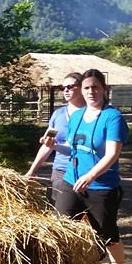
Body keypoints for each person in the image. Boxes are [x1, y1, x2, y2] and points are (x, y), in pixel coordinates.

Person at [54, 68, 130, 264]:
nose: (91, 92)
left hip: (101, 186)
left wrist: (90, 176)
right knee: (62, 228)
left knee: (107, 235)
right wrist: (51, 145)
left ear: (104, 89)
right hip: (72, 182)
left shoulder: (112, 117)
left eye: (95, 87)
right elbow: (73, 148)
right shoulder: (77, 116)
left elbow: (112, 154)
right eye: (87, 88)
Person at [24, 72, 86, 204]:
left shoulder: (92, 114)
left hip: (86, 171)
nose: (66, 90)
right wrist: (31, 171)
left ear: (82, 87)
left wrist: (54, 146)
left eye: (70, 86)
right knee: (58, 211)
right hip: (61, 171)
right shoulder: (58, 114)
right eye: (63, 87)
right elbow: (47, 145)